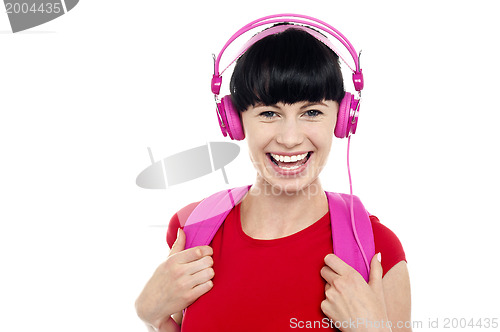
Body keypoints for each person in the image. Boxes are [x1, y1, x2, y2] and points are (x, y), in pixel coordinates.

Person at [135, 15, 411, 332]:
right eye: (269, 112)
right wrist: (150, 313)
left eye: (311, 112)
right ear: (235, 121)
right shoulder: (193, 229)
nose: (290, 138)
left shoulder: (376, 250)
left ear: (342, 117)